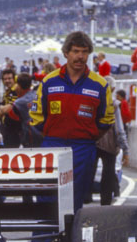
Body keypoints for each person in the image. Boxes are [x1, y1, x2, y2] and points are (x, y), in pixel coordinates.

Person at [29, 31, 114, 211]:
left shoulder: (100, 84)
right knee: (46, 196)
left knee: (75, 201)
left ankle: (70, 238)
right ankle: (43, 238)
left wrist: (87, 136)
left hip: (83, 147)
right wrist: (54, 133)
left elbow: (106, 121)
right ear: (66, 53)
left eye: (84, 52)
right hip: (52, 144)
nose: (80, 56)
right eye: (75, 51)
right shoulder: (48, 82)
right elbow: (36, 118)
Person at [0, 73, 41, 147]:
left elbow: (8, 112)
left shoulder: (20, 102)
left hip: (30, 136)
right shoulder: (36, 94)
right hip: (42, 133)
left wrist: (0, 107)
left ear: (19, 85)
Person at [0, 68, 20, 147]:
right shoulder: (8, 91)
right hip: (6, 127)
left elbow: (7, 109)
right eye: (5, 79)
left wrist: (0, 107)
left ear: (14, 79)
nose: (7, 81)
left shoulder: (16, 90)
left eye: (9, 78)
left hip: (14, 129)